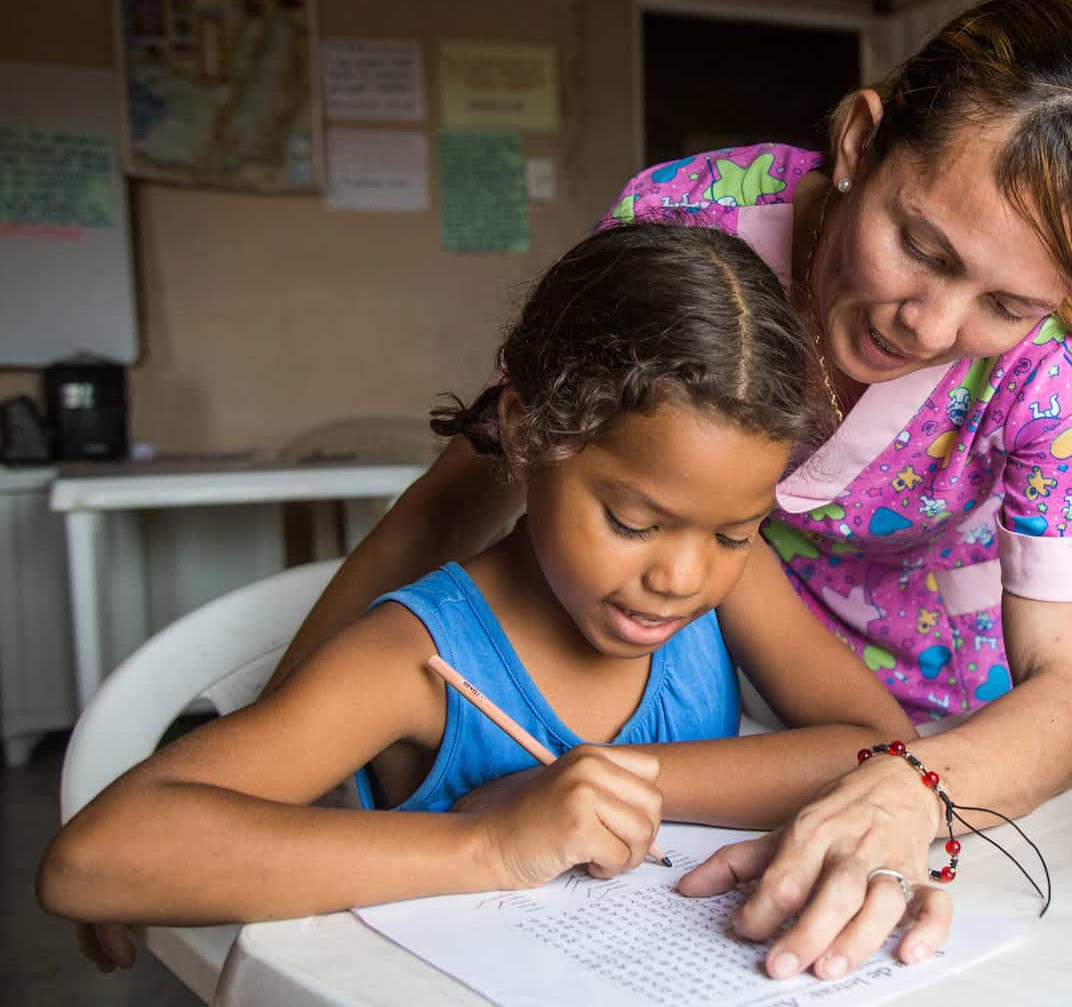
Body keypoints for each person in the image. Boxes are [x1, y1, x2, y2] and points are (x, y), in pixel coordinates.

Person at [252, 0, 1072, 981]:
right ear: (861, 141)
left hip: (949, 747)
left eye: (1005, 303)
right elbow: (469, 485)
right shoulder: (696, 223)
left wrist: (912, 782)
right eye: (920, 248)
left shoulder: (1061, 372)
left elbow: (1068, 697)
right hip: (709, 701)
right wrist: (266, 762)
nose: (931, 326)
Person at [38, 225, 926, 941]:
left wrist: (620, 776)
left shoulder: (724, 579)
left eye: (736, 532)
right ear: (528, 434)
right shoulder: (414, 657)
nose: (682, 577)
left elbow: (884, 748)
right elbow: (94, 858)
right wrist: (492, 840)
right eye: (632, 522)